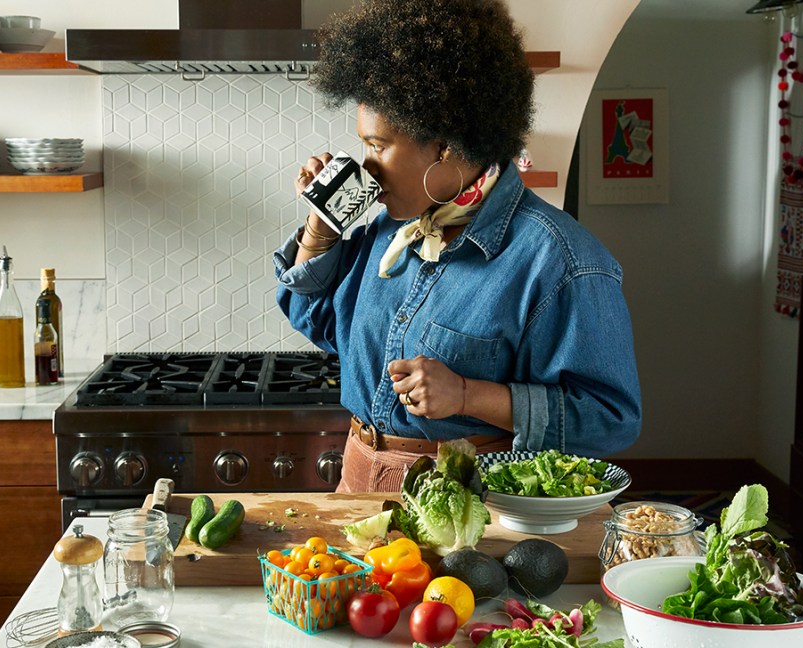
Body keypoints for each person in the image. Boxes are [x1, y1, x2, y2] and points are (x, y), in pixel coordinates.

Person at [272, 0, 642, 493]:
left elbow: (610, 418)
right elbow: (316, 321)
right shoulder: (389, 232)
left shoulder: (562, 262)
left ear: (443, 143)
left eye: (378, 145)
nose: (367, 165)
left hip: (471, 513)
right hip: (357, 489)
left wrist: (467, 394)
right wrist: (322, 227)